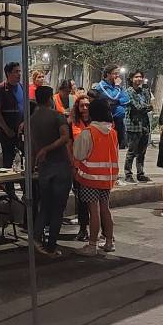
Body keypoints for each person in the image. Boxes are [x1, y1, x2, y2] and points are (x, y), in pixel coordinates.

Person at [72, 98, 119, 256]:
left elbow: (78, 154)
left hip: (90, 178)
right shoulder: (112, 132)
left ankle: (92, 244)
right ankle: (109, 242)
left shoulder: (89, 132)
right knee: (105, 209)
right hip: (107, 179)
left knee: (94, 211)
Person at [30, 86, 72, 257]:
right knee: (58, 208)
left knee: (45, 206)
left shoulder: (32, 119)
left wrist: (34, 162)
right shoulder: (57, 116)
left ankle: (36, 237)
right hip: (60, 165)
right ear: (49, 99)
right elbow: (65, 137)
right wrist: (48, 148)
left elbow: (32, 145)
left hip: (44, 167)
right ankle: (51, 245)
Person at [0, 62, 25, 171]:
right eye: (16, 72)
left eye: (19, 71)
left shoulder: (21, 86)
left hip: (20, 131)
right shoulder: (1, 88)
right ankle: (9, 186)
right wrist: (6, 129)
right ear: (8, 73)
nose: (19, 74)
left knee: (23, 157)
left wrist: (23, 123)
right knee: (8, 159)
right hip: (7, 131)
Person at [70, 95, 93, 241]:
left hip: (93, 167)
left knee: (95, 202)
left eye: (87, 105)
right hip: (78, 166)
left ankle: (99, 230)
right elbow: (68, 143)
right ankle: (83, 228)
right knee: (81, 200)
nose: (85, 108)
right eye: (82, 106)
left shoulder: (96, 123)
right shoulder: (72, 123)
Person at [122, 70, 152, 183]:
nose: (139, 79)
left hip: (144, 124)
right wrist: (146, 107)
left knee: (142, 151)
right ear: (131, 79)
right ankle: (128, 174)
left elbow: (150, 105)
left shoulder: (144, 91)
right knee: (132, 151)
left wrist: (146, 107)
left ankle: (140, 173)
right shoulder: (128, 92)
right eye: (136, 77)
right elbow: (137, 107)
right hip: (134, 125)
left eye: (140, 77)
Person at [90, 65, 130, 148]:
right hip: (108, 121)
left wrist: (117, 102)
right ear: (108, 74)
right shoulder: (102, 86)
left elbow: (127, 99)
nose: (117, 76)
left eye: (118, 74)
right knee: (108, 146)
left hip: (119, 121)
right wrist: (117, 87)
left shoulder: (116, 86)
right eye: (115, 74)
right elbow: (112, 97)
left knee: (117, 147)